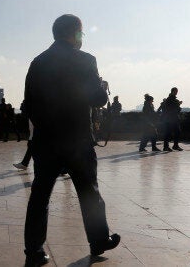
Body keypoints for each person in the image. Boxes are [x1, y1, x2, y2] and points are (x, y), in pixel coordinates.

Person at [22, 14, 120, 265]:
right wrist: (100, 85)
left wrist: (45, 130)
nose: (82, 38)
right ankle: (98, 239)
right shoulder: (86, 60)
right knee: (90, 192)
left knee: (40, 196)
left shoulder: (38, 62)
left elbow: (28, 105)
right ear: (74, 33)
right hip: (77, 140)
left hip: (46, 140)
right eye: (81, 33)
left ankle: (34, 251)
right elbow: (98, 99)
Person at [157, 87, 183, 151]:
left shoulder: (172, 99)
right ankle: (167, 147)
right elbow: (171, 108)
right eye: (176, 91)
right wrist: (178, 104)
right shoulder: (170, 99)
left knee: (177, 132)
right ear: (173, 91)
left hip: (172, 118)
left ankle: (175, 146)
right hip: (170, 119)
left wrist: (177, 104)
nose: (177, 92)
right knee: (168, 133)